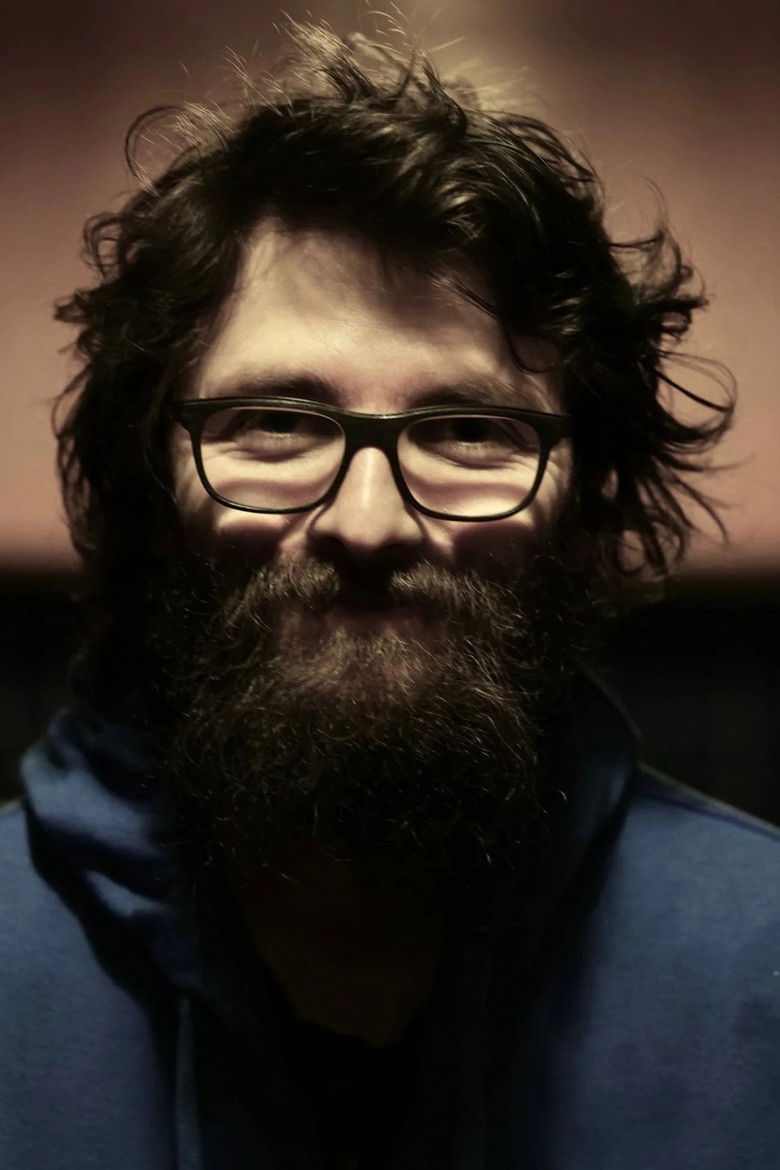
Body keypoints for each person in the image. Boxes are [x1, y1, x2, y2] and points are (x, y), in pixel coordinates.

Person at [1, 21, 777, 1170]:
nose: (368, 525)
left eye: (469, 432)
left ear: (592, 502)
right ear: (148, 486)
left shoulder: (763, 965)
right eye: (275, 424)